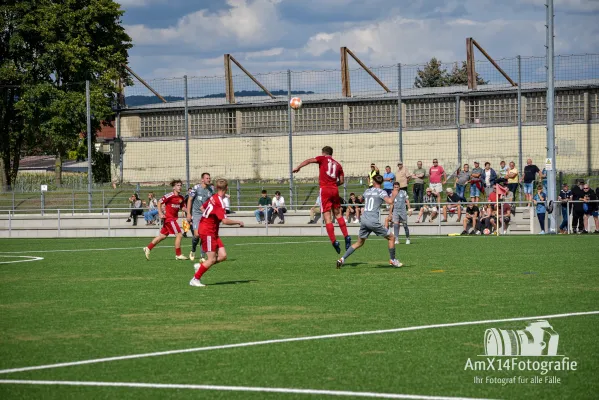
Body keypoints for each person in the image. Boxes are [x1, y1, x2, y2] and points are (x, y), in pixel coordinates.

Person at [293, 146, 351, 254]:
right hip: (334, 189)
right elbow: (342, 181)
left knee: (327, 217)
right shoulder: (338, 164)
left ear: (323, 153)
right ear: (331, 153)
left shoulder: (322, 159)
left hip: (325, 189)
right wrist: (334, 184)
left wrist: (298, 167)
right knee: (338, 215)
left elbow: (309, 160)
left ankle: (334, 242)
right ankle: (347, 236)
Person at [336, 175, 401, 268]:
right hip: (373, 221)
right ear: (381, 183)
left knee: (359, 242)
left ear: (374, 182)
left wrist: (360, 198)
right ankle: (393, 260)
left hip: (364, 220)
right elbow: (390, 201)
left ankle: (342, 259)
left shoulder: (367, 191)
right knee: (392, 238)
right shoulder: (381, 192)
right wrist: (394, 193)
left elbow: (360, 200)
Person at [190, 179, 245, 287]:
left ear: (216, 188)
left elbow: (202, 207)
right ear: (227, 188)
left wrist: (209, 217)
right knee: (211, 259)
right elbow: (225, 221)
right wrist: (238, 222)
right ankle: (195, 279)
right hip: (208, 231)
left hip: (212, 231)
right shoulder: (219, 202)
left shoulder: (213, 197)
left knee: (223, 256)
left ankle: (202, 266)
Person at [143, 179, 188, 260]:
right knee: (179, 235)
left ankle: (148, 248)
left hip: (172, 219)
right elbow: (159, 202)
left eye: (181, 185)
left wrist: (189, 212)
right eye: (178, 185)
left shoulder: (181, 197)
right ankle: (178, 254)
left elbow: (183, 207)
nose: (180, 187)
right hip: (169, 219)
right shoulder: (169, 196)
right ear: (174, 187)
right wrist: (160, 213)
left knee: (162, 236)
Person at [187, 173, 213, 261]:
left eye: (209, 178)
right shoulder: (196, 188)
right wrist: (188, 213)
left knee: (204, 235)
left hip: (205, 214)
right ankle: (193, 250)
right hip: (196, 213)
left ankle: (202, 256)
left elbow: (211, 201)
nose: (209, 179)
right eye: (207, 178)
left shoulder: (211, 189)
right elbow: (190, 200)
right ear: (202, 179)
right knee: (197, 235)